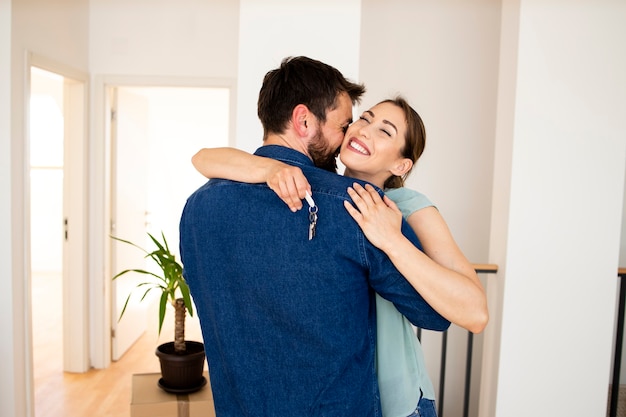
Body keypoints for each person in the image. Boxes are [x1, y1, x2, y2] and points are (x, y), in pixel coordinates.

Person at [179, 56, 450, 417]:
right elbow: (435, 314)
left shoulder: (196, 209)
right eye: (343, 125)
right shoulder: (358, 206)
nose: (344, 142)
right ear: (304, 121)